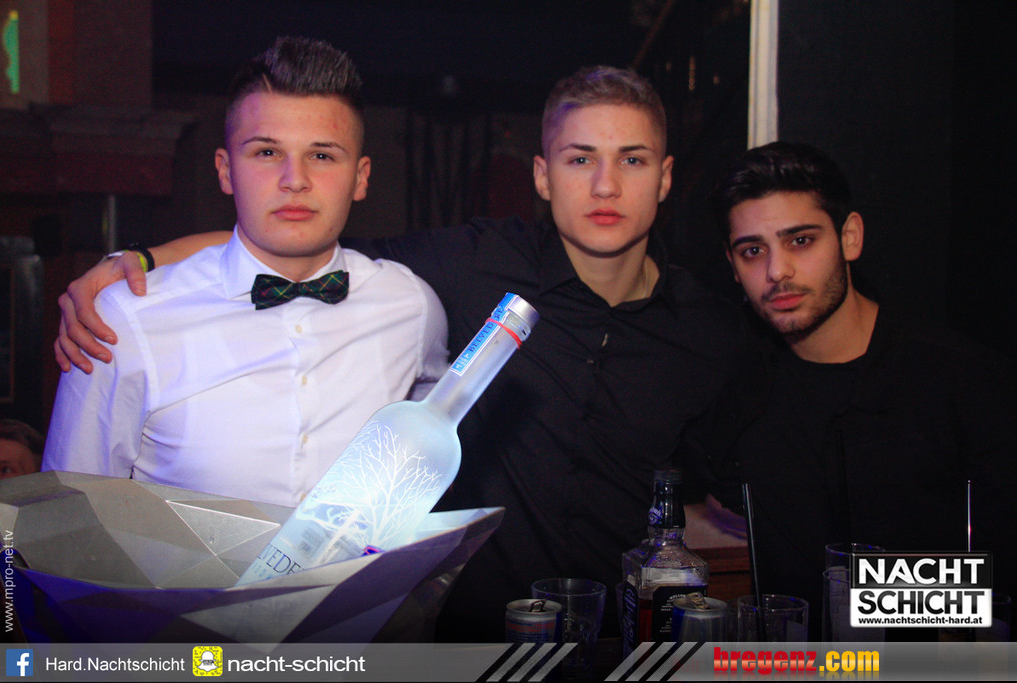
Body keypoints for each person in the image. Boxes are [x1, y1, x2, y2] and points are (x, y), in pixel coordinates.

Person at [53, 65, 747, 641]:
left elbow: (735, 481)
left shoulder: (709, 332)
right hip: (451, 643)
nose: (605, 185)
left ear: (665, 177)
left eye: (632, 160)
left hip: (609, 643)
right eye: (580, 159)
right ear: (542, 175)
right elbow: (291, 241)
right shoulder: (467, 266)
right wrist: (137, 260)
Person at [42, 37, 448, 509]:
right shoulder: (125, 320)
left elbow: (431, 443)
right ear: (225, 170)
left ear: (360, 178)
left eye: (321, 155)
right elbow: (63, 517)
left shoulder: (411, 305)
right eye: (267, 153)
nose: (295, 180)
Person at [684, 141, 1016, 637]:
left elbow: (999, 584)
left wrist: (866, 603)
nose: (777, 271)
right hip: (789, 665)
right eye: (753, 251)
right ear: (733, 267)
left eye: (800, 240)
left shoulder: (966, 382)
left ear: (850, 237)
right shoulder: (736, 389)